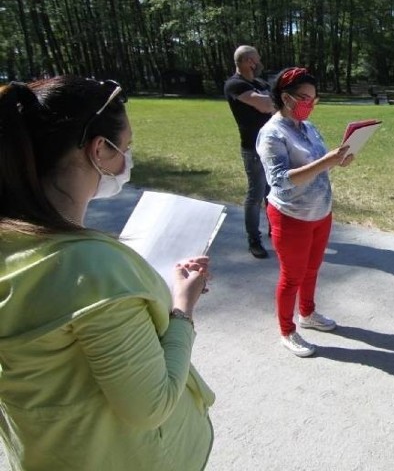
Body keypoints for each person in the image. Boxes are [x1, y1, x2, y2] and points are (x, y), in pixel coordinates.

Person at [0, 77, 215, 469]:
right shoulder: (92, 268)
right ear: (99, 149)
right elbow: (152, 405)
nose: (127, 160)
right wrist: (183, 307)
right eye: (125, 148)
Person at [256, 67, 353, 357]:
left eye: (314, 99)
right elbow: (281, 180)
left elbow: (320, 163)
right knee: (292, 276)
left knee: (312, 269)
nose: (310, 104)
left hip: (320, 212)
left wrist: (339, 160)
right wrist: (326, 162)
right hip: (290, 215)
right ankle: (287, 331)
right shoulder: (271, 133)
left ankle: (308, 314)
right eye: (304, 98)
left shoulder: (308, 127)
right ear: (285, 97)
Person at [224, 45, 275, 258]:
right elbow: (264, 105)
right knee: (256, 194)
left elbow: (274, 104)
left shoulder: (260, 83)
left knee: (273, 193)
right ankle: (254, 239)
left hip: (272, 146)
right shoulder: (235, 85)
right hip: (253, 148)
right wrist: (281, 101)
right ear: (246, 61)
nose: (259, 62)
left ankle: (277, 230)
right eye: (256, 59)